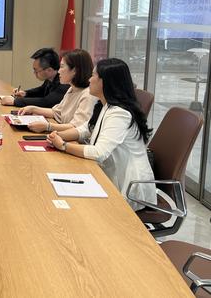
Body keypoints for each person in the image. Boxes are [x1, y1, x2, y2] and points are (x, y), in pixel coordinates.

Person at [46, 58, 156, 210]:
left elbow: (99, 153)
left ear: (105, 81)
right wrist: (57, 135)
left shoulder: (120, 114)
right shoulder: (105, 105)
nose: (89, 80)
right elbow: (85, 129)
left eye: (93, 75)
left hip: (129, 188)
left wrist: (64, 146)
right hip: (108, 174)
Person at [18, 49, 97, 133]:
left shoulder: (88, 95)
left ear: (74, 70)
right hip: (62, 135)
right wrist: (33, 109)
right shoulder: (72, 89)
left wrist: (48, 126)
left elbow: (76, 128)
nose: (59, 71)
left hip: (72, 139)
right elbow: (57, 112)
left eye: (62, 66)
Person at [1, 48, 69, 108]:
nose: (34, 73)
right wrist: (26, 93)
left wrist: (15, 101)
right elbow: (41, 90)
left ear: (49, 70)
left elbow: (46, 102)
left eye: (36, 71)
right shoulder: (51, 77)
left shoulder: (64, 82)